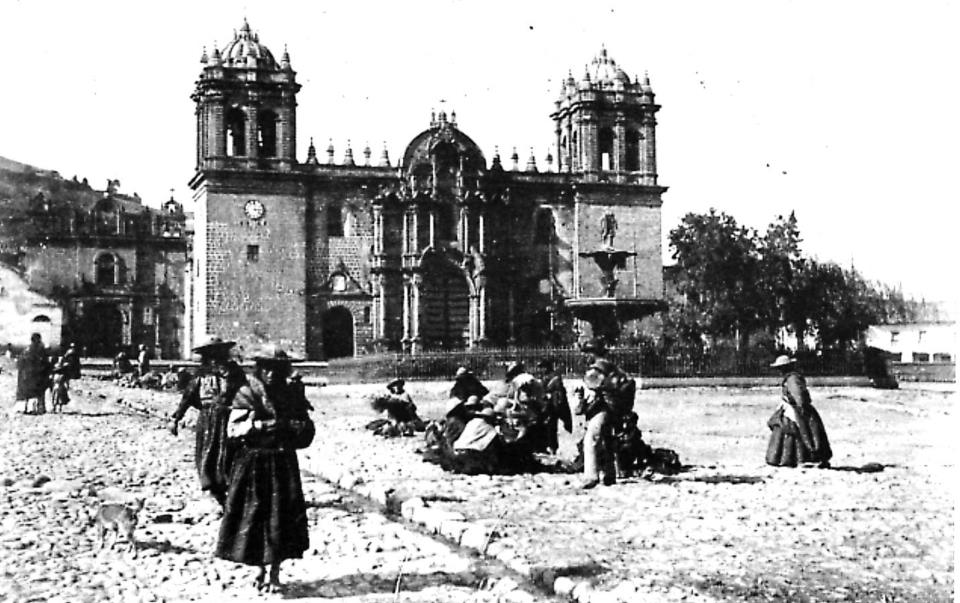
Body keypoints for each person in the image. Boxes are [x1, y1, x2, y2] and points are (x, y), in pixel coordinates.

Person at [216, 345, 313, 593]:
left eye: (276, 369)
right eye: (266, 368)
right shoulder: (247, 392)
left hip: (282, 463)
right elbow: (233, 429)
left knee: (281, 518)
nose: (270, 374)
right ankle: (259, 569)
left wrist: (293, 427)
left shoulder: (291, 394)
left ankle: (276, 572)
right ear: (259, 369)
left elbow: (306, 428)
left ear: (283, 370)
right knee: (255, 516)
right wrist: (260, 426)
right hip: (253, 463)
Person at [169, 336, 246, 505]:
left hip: (229, 417)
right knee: (207, 452)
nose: (214, 358)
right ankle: (213, 488)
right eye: (210, 354)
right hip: (208, 418)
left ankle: (230, 486)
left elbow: (246, 393)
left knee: (229, 452)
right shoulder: (201, 375)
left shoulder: (234, 372)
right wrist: (176, 418)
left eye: (217, 353)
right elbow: (188, 396)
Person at [574, 339, 636, 489]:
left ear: (592, 353)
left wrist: (582, 404)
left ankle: (591, 476)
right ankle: (609, 475)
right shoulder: (611, 366)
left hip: (602, 409)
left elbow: (594, 392)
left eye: (587, 353)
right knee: (607, 441)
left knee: (591, 439)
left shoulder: (596, 369)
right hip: (615, 408)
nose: (585, 357)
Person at [766, 355, 833, 468]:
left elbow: (799, 396)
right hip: (792, 407)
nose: (779, 371)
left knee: (802, 430)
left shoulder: (792, 379)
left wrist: (800, 408)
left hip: (796, 409)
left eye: (781, 368)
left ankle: (805, 458)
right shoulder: (791, 378)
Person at [534, 358, 573, 454]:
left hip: (553, 407)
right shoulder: (544, 377)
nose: (540, 370)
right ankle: (544, 447)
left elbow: (559, 394)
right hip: (545, 406)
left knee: (551, 428)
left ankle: (553, 448)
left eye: (542, 367)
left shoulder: (555, 377)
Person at [16, 333, 50, 414]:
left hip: (28, 376)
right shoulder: (40, 350)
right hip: (37, 375)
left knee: (28, 393)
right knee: (38, 392)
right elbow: (45, 362)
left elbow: (20, 363)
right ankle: (37, 408)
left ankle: (27, 408)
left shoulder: (26, 350)